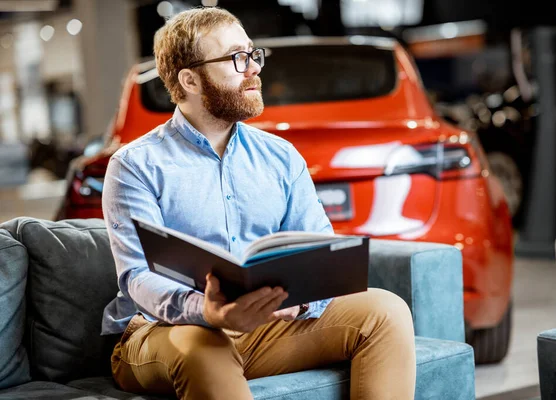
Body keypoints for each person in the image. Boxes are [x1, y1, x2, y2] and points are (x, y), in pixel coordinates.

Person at [101, 6, 416, 400]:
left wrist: (298, 302)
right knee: (205, 348)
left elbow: (320, 251)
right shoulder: (134, 166)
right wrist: (208, 311)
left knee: (386, 311)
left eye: (253, 54)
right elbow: (138, 280)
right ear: (190, 80)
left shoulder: (281, 157)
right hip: (161, 331)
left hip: (266, 327)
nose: (253, 69)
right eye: (236, 58)